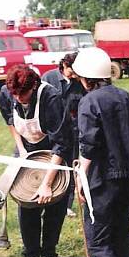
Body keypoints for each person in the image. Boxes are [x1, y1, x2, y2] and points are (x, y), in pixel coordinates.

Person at [73, 47, 129, 257]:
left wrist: (81, 177)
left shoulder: (89, 102)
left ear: (85, 78)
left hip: (102, 179)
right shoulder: (126, 96)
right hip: (127, 177)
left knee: (97, 240)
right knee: (120, 232)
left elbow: (88, 146)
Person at [0, 64, 72, 257]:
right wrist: (21, 150)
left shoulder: (51, 98)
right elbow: (11, 121)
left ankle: (49, 256)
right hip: (26, 149)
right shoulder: (8, 93)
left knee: (54, 204)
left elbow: (62, 143)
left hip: (53, 151)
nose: (20, 98)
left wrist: (47, 183)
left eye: (24, 93)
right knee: (26, 202)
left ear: (35, 85)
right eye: (16, 94)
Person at [41, 52, 84, 217]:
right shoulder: (48, 78)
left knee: (71, 167)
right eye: (71, 71)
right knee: (48, 165)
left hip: (72, 132)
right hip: (51, 132)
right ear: (64, 66)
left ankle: (67, 204)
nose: (74, 76)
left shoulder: (79, 82)